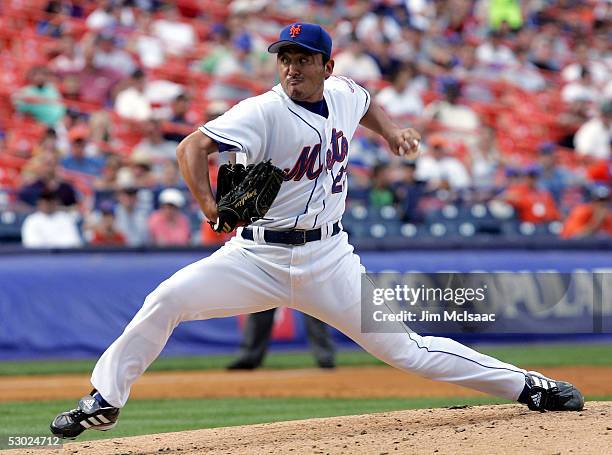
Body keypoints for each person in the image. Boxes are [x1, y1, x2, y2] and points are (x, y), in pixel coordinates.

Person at [50, 22, 583, 440]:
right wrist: (210, 205)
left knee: (409, 351)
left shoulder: (345, 94)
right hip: (254, 259)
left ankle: (528, 386)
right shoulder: (260, 112)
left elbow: (366, 104)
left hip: (329, 258)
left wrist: (394, 132)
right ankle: (105, 398)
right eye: (285, 58)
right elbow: (191, 148)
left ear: (327, 66)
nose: (292, 68)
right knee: (165, 299)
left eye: (303, 59)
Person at [227, 309, 335, 370]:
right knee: (261, 307)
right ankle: (248, 358)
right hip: (273, 270)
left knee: (313, 309)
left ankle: (325, 357)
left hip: (302, 271)